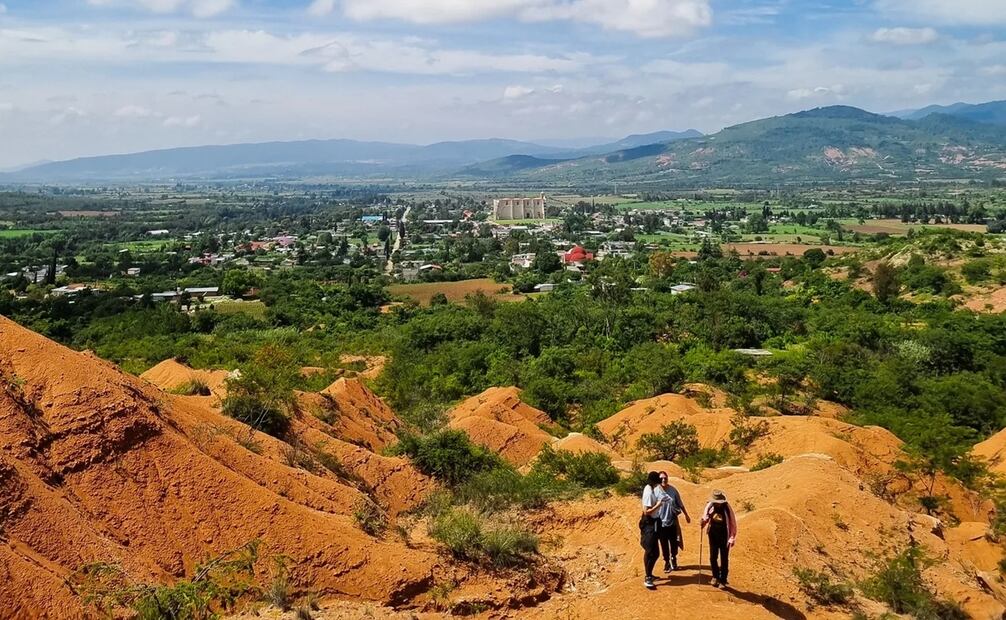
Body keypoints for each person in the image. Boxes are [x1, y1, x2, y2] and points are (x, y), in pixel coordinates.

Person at [700, 490, 737, 588]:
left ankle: (723, 580)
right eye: (717, 502)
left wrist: (732, 537)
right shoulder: (710, 506)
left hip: (724, 536)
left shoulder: (727, 509)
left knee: (724, 558)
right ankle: (715, 576)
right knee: (713, 557)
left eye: (719, 503)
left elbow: (733, 523)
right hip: (713, 535)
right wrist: (703, 522)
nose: (718, 504)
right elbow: (706, 516)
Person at [655, 471, 691, 572]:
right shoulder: (655, 491)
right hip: (661, 522)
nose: (663, 480)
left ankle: (673, 559)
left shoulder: (673, 490)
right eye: (661, 478)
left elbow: (680, 503)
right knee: (664, 543)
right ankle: (666, 562)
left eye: (665, 478)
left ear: (667, 478)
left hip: (672, 521)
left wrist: (686, 515)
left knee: (674, 542)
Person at [639, 471, 665, 589]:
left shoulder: (649, 488)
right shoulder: (649, 492)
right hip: (649, 523)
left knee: (655, 553)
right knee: (651, 551)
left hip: (653, 522)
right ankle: (648, 577)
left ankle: (649, 574)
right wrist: (659, 505)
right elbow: (646, 511)